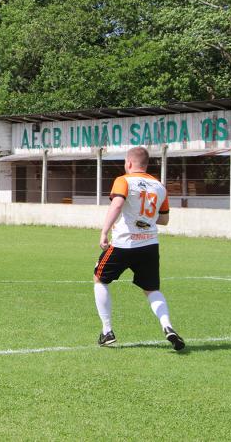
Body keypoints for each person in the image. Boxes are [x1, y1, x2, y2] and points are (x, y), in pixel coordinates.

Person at [94, 146, 185, 351]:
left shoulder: (123, 180)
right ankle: (167, 326)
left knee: (100, 278)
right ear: (146, 164)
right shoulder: (159, 186)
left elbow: (117, 205)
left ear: (128, 163)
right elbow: (164, 219)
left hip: (124, 243)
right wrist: (145, 219)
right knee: (151, 289)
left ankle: (107, 330)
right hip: (149, 245)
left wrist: (104, 231)